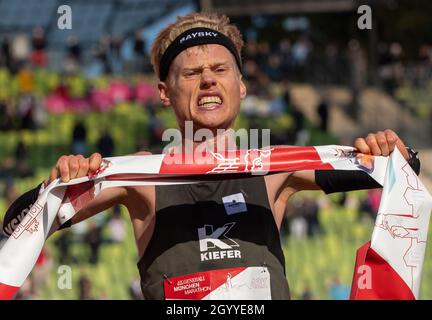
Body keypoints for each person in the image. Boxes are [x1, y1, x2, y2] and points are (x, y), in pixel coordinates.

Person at [3, 13, 421, 300]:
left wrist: (387, 150)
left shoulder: (275, 168)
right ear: (165, 91)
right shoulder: (136, 176)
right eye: (191, 72)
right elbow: (17, 227)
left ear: (241, 86)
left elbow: (400, 170)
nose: (207, 80)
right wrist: (55, 184)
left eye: (221, 70)